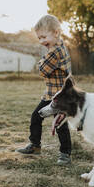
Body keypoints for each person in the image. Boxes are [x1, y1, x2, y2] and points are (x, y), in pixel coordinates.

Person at [16, 14, 72, 165]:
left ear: (56, 32)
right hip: (50, 94)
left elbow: (42, 70)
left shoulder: (55, 52)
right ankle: (35, 146)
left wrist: (40, 62)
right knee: (37, 117)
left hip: (59, 96)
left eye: (44, 37)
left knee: (60, 124)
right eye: (39, 38)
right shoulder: (58, 46)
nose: (42, 42)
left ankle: (65, 153)